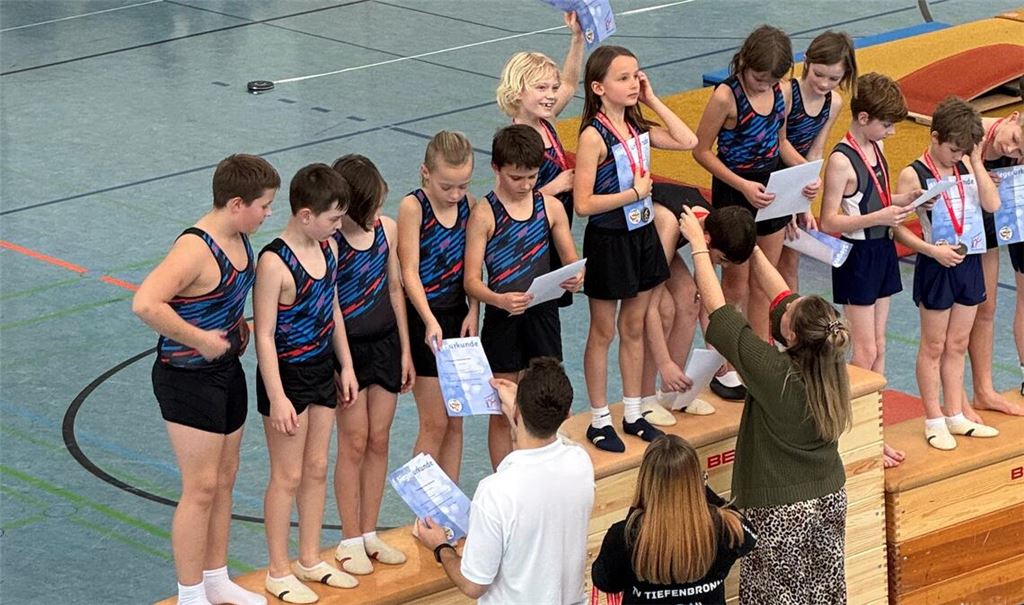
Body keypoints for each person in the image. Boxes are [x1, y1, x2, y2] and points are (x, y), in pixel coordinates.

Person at [680, 205, 851, 604]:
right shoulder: (828, 358)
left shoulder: (776, 373)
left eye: (787, 312)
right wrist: (750, 245)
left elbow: (721, 318)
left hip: (781, 510)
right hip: (829, 496)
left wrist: (698, 246)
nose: (782, 304)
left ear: (790, 336)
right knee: (824, 593)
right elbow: (781, 293)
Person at [133, 153, 279, 605]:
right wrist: (199, 339)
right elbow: (145, 303)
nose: (269, 213)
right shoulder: (194, 249)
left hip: (225, 372)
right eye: (264, 205)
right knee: (200, 488)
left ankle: (216, 578)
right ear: (237, 203)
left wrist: (238, 329)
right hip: (186, 379)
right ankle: (190, 592)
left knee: (226, 478)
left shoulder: (239, 236)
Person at [574, 45, 697, 452]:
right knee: (604, 330)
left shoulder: (637, 128)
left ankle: (632, 412)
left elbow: (688, 139)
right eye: (623, 78)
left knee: (635, 325)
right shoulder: (593, 135)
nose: (633, 83)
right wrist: (631, 194)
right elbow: (583, 204)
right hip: (609, 238)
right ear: (598, 87)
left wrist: (653, 98)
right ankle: (597, 419)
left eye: (636, 75)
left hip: (641, 235)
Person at [253, 164, 359, 602]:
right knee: (288, 474)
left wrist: (346, 365)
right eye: (333, 219)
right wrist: (277, 397)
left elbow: (332, 309)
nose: (338, 227)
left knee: (316, 467)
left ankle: (309, 557)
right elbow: (262, 333)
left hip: (320, 369)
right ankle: (278, 570)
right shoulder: (274, 262)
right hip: (286, 378)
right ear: (304, 215)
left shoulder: (328, 250)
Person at [693, 25, 815, 401]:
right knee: (736, 285)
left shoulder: (780, 92)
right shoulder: (726, 97)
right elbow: (701, 151)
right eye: (759, 78)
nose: (765, 85)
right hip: (736, 192)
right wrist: (742, 186)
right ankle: (727, 363)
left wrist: (806, 175)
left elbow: (779, 143)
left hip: (772, 189)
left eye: (773, 80)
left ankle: (759, 353)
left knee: (767, 280)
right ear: (744, 62)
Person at [413, 357, 595, 605]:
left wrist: (441, 547)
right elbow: (546, 438)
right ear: (567, 415)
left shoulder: (496, 491)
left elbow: (473, 584)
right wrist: (521, 408)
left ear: (517, 411)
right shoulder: (580, 463)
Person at [464, 124, 583, 468]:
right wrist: (498, 300)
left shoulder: (549, 208)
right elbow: (471, 280)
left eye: (532, 177)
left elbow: (573, 260)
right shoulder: (484, 214)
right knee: (502, 408)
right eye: (517, 178)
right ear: (496, 169)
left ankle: (543, 468)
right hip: (503, 317)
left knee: (546, 398)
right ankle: (506, 475)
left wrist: (576, 276)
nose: (527, 185)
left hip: (543, 315)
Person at [817, 72, 919, 468]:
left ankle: (874, 432)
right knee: (866, 350)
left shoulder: (875, 146)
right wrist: (880, 213)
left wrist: (902, 199)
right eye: (886, 124)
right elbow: (828, 221)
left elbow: (874, 197)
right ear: (862, 117)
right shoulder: (841, 160)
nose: (892, 132)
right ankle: (853, 432)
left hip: (882, 251)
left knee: (880, 348)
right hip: (857, 258)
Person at [894, 96, 1002, 450]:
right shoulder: (914, 173)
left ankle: (956, 414)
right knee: (934, 345)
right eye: (953, 149)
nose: (957, 156)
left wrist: (974, 162)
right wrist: (929, 251)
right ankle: (933, 418)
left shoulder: (966, 167)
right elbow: (897, 227)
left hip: (968, 261)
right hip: (936, 263)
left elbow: (992, 205)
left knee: (958, 343)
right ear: (935, 137)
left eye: (963, 151)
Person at [331, 154, 414, 575]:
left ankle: (368, 532)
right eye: (374, 205)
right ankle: (348, 538)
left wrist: (404, 349)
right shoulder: (332, 242)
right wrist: (343, 362)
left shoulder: (387, 231)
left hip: (384, 344)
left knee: (379, 438)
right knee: (355, 441)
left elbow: (395, 288)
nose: (380, 211)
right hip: (348, 351)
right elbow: (331, 306)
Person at [592, 434, 756, 605]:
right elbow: (751, 537)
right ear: (696, 481)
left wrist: (635, 510)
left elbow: (604, 581)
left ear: (645, 481)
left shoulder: (624, 535)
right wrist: (704, 490)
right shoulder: (724, 527)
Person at [398, 131, 478, 483]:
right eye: (447, 187)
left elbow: (473, 268)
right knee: (435, 422)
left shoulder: (469, 205)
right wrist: (429, 319)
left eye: (462, 186)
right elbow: (408, 272)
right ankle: (425, 509)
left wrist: (474, 309)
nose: (456, 194)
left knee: (456, 420)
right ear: (426, 173)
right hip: (424, 319)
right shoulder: (413, 207)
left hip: (458, 317)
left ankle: (451, 506)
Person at [641, 184, 757, 422]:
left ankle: (672, 393)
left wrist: (716, 350)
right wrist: (665, 363)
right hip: (636, 242)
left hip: (658, 244)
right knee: (664, 309)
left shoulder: (712, 226)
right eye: (722, 260)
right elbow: (648, 308)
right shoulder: (671, 226)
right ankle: (645, 398)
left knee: (690, 298)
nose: (723, 266)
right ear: (706, 239)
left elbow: (706, 296)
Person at [496, 11, 584, 308]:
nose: (551, 96)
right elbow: (508, 203)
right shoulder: (515, 138)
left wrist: (577, 38)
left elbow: (571, 83)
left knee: (549, 309)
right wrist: (557, 186)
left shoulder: (546, 120)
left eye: (552, 88)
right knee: (533, 308)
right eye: (542, 88)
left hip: (557, 227)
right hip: (531, 237)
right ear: (518, 91)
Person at [777, 30, 857, 292]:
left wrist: (805, 203)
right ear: (806, 62)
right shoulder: (787, 92)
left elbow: (817, 149)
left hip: (797, 178)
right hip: (773, 175)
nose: (824, 84)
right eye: (818, 75)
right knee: (766, 262)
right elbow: (780, 143)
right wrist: (803, 180)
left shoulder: (833, 102)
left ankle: (788, 326)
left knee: (790, 263)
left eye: (833, 78)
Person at [965, 109, 1024, 415]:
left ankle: (984, 391)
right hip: (962, 221)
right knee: (960, 315)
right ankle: (957, 400)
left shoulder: (1017, 152)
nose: (1010, 150)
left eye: (1019, 151)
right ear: (1012, 118)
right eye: (1014, 140)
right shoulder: (969, 130)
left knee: (987, 308)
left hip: (992, 224)